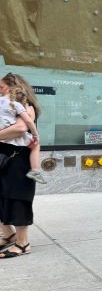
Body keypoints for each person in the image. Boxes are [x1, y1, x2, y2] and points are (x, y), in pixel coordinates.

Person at [0, 73, 40, 258]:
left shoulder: (25, 107)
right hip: (6, 157)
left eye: (2, 87)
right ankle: (8, 235)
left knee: (17, 198)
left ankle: (23, 243)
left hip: (18, 159)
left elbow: (20, 129)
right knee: (2, 197)